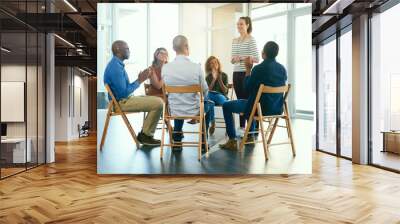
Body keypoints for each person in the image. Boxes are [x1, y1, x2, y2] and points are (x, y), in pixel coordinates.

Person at [220, 41, 287, 150]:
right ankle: (250, 136)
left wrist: (248, 70)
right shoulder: (282, 69)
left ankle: (232, 140)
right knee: (251, 101)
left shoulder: (258, 69)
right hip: (277, 109)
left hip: (259, 109)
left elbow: (246, 89)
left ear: (263, 53)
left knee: (226, 105)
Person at [104, 40, 164, 146]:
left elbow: (124, 90)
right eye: (127, 49)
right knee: (159, 103)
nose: (129, 51)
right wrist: (140, 80)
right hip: (121, 103)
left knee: (158, 101)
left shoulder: (117, 65)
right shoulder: (115, 68)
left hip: (125, 100)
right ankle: (145, 135)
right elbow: (123, 94)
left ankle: (145, 134)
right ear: (118, 50)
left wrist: (139, 79)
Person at [162, 35, 215, 150]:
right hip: (194, 110)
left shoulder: (166, 68)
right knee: (209, 103)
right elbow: (205, 90)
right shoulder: (196, 67)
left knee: (178, 102)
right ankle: (203, 142)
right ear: (186, 46)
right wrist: (203, 99)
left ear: (173, 48)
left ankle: (177, 139)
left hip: (173, 110)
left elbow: (165, 90)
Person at [231, 16, 259, 132]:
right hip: (236, 73)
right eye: (238, 24)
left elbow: (256, 58)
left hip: (246, 73)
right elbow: (232, 60)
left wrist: (241, 58)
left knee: (247, 100)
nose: (239, 26)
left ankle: (251, 126)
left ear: (247, 25)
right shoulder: (234, 40)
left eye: (241, 24)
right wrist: (235, 59)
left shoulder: (251, 39)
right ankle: (242, 126)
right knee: (239, 100)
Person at [205, 56, 229, 135]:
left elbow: (225, 91)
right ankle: (213, 122)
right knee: (209, 102)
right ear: (209, 66)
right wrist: (214, 79)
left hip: (221, 96)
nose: (214, 65)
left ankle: (228, 125)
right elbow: (207, 91)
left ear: (218, 64)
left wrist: (219, 79)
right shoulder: (208, 77)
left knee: (225, 104)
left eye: (215, 62)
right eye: (211, 63)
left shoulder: (224, 75)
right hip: (210, 95)